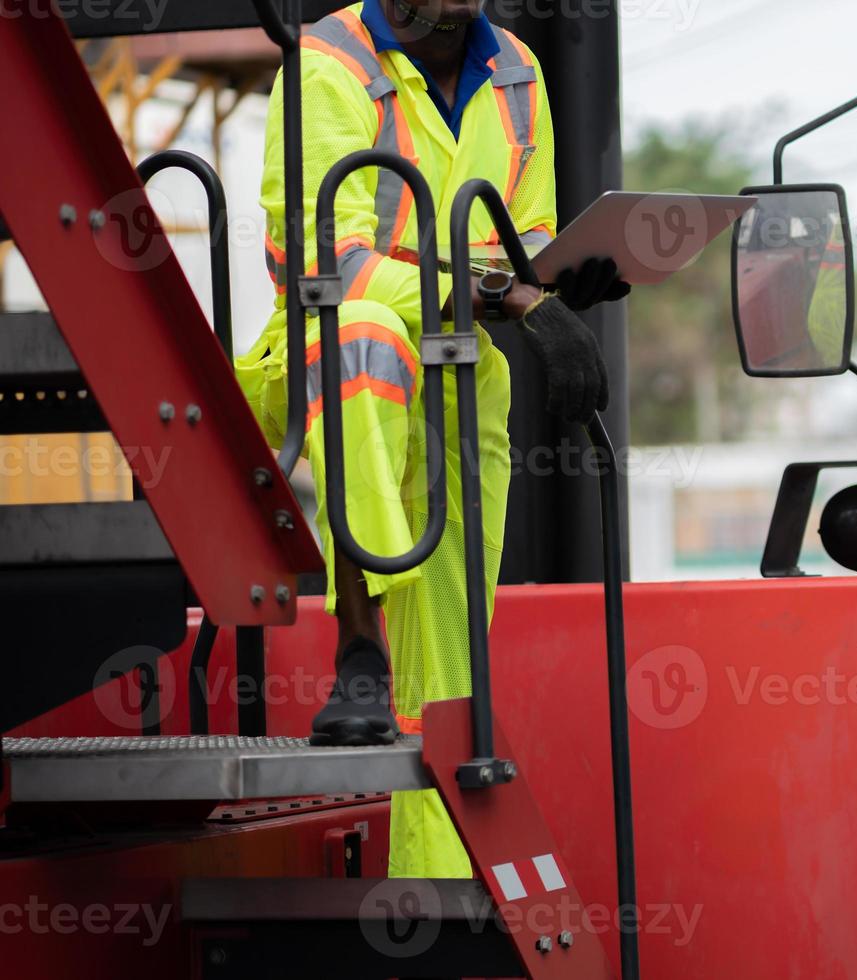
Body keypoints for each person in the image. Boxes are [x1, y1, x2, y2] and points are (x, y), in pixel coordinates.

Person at [235, 0, 626, 878]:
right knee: (366, 326)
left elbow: (520, 235)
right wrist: (516, 299)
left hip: (454, 368)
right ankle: (360, 642)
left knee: (449, 678)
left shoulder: (516, 72)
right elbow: (329, 268)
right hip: (322, 360)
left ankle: (436, 889)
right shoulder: (326, 66)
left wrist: (561, 277)